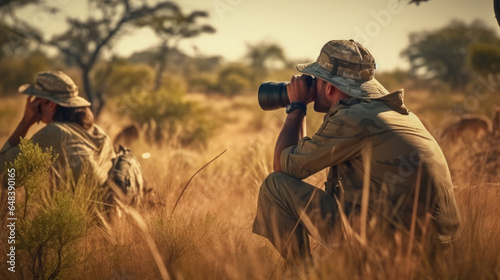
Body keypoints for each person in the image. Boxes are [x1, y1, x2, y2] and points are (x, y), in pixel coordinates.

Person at [252, 40, 461, 267]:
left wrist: (297, 107)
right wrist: (300, 106)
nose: (313, 86)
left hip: (393, 250)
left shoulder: (353, 119)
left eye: (317, 80)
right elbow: (297, 161)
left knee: (274, 186)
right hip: (437, 251)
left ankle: (302, 272)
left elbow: (284, 168)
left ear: (330, 87)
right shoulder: (396, 113)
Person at [0, 71, 115, 187]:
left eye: (37, 100)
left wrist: (25, 122)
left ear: (51, 105)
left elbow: (5, 176)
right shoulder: (99, 133)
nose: (32, 105)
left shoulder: (54, 133)